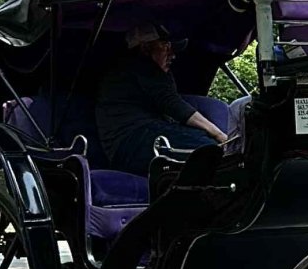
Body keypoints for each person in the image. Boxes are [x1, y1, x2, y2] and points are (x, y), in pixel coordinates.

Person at [96, 22, 229, 174]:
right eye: (166, 46)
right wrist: (220, 135)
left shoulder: (128, 71)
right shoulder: (140, 66)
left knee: (206, 144)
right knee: (209, 150)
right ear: (145, 48)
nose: (172, 54)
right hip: (133, 143)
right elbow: (172, 103)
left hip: (130, 147)